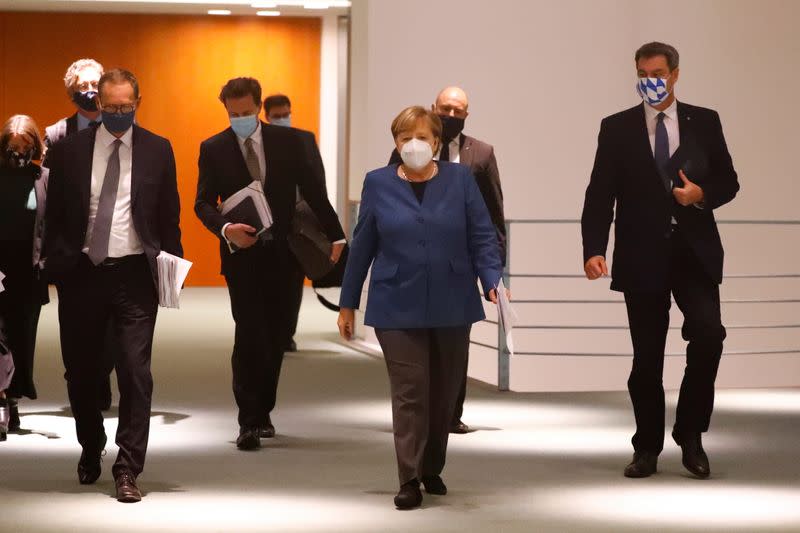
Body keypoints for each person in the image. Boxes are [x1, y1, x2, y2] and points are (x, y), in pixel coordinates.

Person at [581, 42, 739, 479]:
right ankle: (646, 446)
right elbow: (600, 194)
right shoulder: (616, 128)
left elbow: (729, 180)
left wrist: (700, 195)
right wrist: (593, 248)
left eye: (658, 72)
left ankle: (690, 434)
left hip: (695, 255)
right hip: (640, 255)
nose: (651, 80)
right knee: (646, 359)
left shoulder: (704, 121)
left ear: (675, 74)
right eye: (643, 72)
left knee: (709, 336)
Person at [338, 106, 503, 509]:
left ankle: (432, 467)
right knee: (410, 392)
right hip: (396, 302)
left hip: (452, 298)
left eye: (422, 138)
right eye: (404, 138)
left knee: (444, 394)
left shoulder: (461, 179)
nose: (414, 145)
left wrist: (492, 278)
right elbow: (362, 247)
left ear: (436, 142)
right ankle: (409, 477)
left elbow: (482, 233)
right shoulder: (377, 183)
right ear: (395, 143)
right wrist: (347, 302)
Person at [45, 68, 183, 502]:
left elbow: (168, 217)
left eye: (128, 107)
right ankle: (91, 444)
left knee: (135, 372)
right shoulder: (69, 151)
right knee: (82, 373)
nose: (120, 114)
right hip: (83, 273)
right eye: (113, 108)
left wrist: (170, 277)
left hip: (134, 275)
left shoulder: (158, 150)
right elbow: (54, 215)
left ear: (138, 103)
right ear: (98, 105)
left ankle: (128, 467)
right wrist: (54, 264)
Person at [195, 77, 345, 451]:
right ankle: (248, 420)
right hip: (242, 256)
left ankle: (263, 411)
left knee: (277, 336)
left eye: (246, 113)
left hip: (285, 255)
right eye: (233, 114)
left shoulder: (289, 143)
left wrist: (338, 235)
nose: (240, 119)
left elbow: (314, 191)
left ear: (258, 108)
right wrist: (226, 228)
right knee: (249, 334)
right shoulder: (213, 148)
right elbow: (201, 203)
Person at [389, 86, 506, 435]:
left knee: (455, 341)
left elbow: (494, 213)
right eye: (445, 109)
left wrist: (494, 272)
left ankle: (451, 412)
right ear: (433, 108)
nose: (451, 116)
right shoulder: (411, 148)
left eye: (458, 111)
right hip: (416, 260)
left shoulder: (481, 153)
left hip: (461, 262)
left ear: (467, 115)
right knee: (417, 339)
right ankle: (421, 407)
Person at [43, 58, 116, 412]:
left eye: (94, 84)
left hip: (115, 241)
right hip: (73, 246)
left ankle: (100, 377)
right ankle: (81, 383)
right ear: (71, 92)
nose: (89, 91)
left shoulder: (120, 126)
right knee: (75, 326)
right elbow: (46, 194)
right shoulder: (57, 134)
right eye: (81, 86)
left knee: (111, 329)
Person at [263, 93, 332, 352]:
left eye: (286, 114)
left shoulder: (304, 139)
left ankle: (286, 334)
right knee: (269, 281)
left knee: (293, 282)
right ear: (266, 117)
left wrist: (322, 219)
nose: (283, 119)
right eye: (277, 116)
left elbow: (318, 180)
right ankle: (268, 330)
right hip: (267, 224)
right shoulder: (260, 142)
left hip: (299, 223)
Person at [0, 115, 49, 440]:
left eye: (25, 147)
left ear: (34, 146)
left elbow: (53, 222)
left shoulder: (43, 178)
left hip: (29, 271)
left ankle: (14, 397)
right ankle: (1, 400)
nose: (18, 152)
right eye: (12, 147)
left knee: (22, 339)